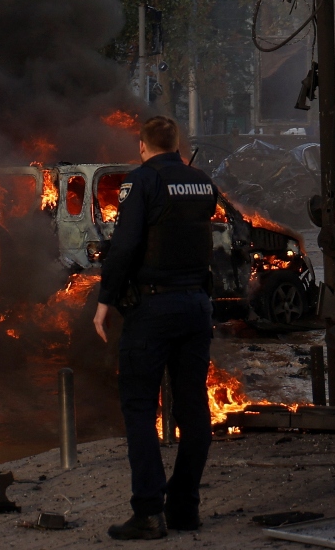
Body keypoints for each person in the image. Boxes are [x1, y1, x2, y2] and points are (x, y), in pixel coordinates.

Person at [93, 115, 217, 540]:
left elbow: (126, 244)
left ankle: (148, 511)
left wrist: (105, 299)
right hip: (197, 306)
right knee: (193, 409)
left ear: (142, 146)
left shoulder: (141, 181)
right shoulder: (202, 182)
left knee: (140, 409)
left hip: (154, 307)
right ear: (177, 143)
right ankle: (185, 508)